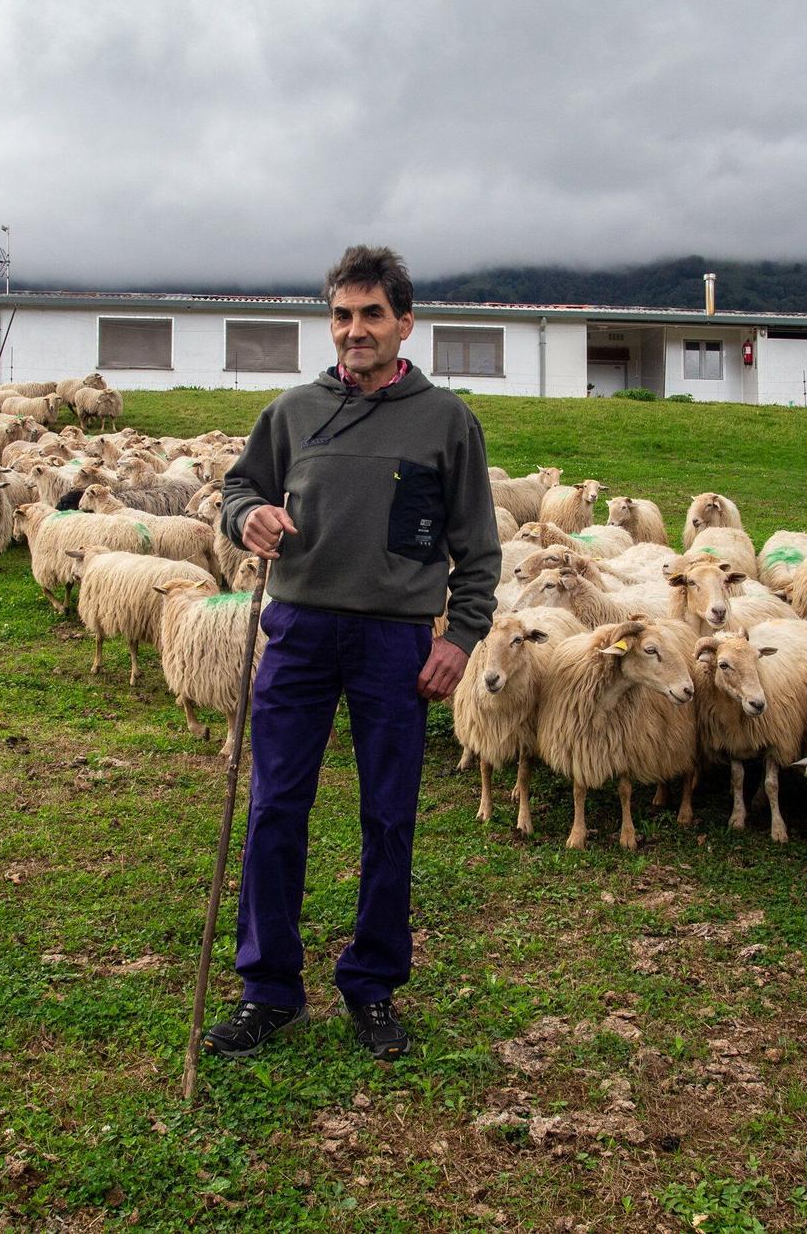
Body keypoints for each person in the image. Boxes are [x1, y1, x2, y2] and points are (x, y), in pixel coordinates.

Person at [201, 245, 501, 1061]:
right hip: (299, 631)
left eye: (372, 314)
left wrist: (461, 637)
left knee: (389, 814)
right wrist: (248, 517)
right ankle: (269, 988)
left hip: (394, 642)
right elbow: (238, 488)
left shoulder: (446, 421)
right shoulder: (293, 411)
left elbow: (479, 549)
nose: (354, 329)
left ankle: (371, 984)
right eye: (342, 315)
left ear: (405, 323)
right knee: (275, 806)